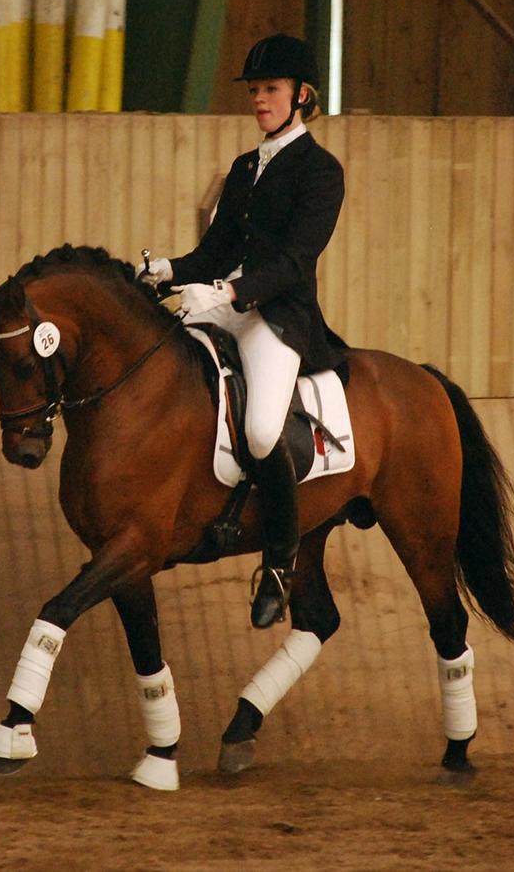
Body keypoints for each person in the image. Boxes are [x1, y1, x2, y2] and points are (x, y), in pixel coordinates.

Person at [141, 33, 346, 629]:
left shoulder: (321, 171)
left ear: (301, 95)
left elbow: (293, 263)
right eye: (255, 90)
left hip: (279, 315)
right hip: (227, 302)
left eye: (271, 89)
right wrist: (171, 271)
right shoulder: (243, 167)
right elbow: (216, 250)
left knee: (260, 431)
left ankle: (280, 563)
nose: (259, 99)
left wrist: (229, 292)